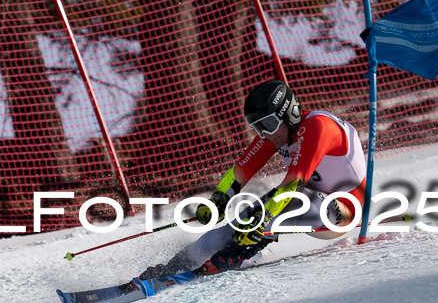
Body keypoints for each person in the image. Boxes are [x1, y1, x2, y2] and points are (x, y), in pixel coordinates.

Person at [136, 79, 367, 282]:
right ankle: (174, 267)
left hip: (343, 212)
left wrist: (264, 216)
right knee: (232, 227)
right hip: (310, 204)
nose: (264, 134)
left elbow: (295, 183)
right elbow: (240, 172)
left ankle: (232, 258)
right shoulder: (277, 132)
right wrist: (219, 199)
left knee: (282, 206)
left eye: (267, 125)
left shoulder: (318, 126)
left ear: (289, 114)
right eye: (258, 127)